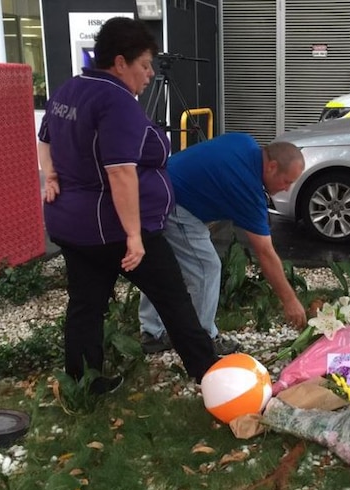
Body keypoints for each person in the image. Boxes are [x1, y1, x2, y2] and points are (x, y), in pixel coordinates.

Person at [37, 17, 218, 393]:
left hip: (72, 225)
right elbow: (120, 172)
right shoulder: (116, 100)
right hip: (114, 229)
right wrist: (134, 235)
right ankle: (211, 375)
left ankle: (83, 384)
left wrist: (50, 174)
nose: (150, 74)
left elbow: (45, 136)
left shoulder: (70, 89)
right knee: (174, 299)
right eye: (145, 64)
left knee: (85, 305)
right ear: (120, 63)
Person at [138, 133, 308, 354]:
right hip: (174, 204)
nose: (286, 188)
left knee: (163, 264)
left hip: (152, 188)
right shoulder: (248, 189)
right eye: (287, 181)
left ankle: (152, 332)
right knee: (206, 268)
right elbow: (265, 253)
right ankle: (203, 339)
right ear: (272, 166)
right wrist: (290, 300)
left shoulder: (245, 142)